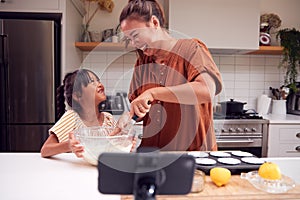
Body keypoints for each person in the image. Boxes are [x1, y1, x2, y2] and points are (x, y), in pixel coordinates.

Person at [119, 0, 223, 151]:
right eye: (130, 39)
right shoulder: (142, 64)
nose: (134, 44)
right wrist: (127, 119)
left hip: (194, 157)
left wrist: (153, 92)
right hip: (154, 157)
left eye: (136, 35)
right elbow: (140, 108)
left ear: (154, 22)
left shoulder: (192, 49)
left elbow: (206, 91)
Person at [40, 69, 118, 158]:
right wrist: (68, 146)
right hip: (76, 169)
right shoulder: (72, 118)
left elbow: (117, 145)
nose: (100, 84)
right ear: (77, 96)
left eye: (98, 80)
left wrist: (128, 144)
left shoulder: (108, 118)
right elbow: (45, 150)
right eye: (92, 82)